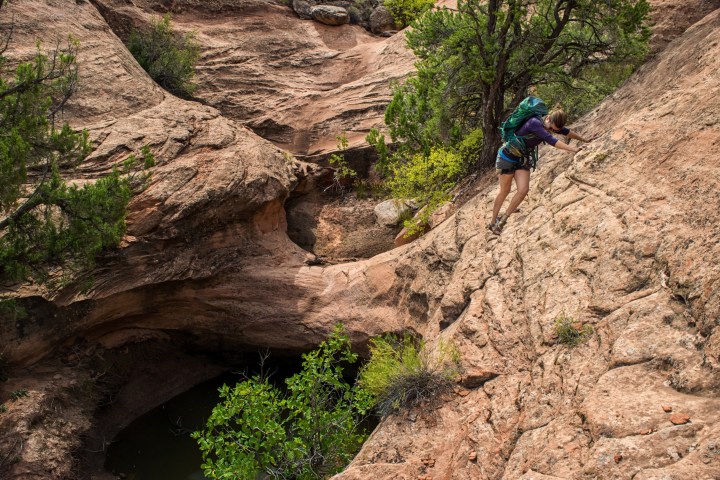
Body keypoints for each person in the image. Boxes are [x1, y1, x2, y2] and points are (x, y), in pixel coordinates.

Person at [489, 107, 590, 235]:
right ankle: (492, 222)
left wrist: (585, 140)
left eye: (554, 130)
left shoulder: (551, 124)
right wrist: (574, 150)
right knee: (505, 191)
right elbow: (552, 140)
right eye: (552, 128)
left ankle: (502, 221)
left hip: (522, 158)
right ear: (548, 118)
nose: (552, 130)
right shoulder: (534, 123)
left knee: (523, 190)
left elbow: (566, 132)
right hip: (507, 157)